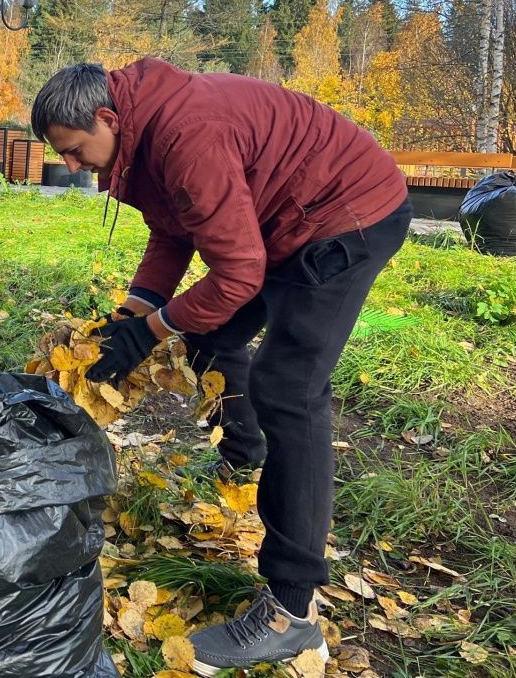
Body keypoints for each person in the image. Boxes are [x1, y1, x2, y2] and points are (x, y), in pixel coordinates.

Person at [30, 60, 411, 675]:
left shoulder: (186, 135)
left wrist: (153, 331)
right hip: (276, 224)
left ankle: (292, 614)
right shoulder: (143, 134)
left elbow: (237, 275)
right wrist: (132, 314)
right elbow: (172, 233)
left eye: (75, 151)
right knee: (207, 330)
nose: (72, 166)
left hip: (345, 216)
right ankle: (243, 456)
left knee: (289, 390)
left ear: (106, 117)